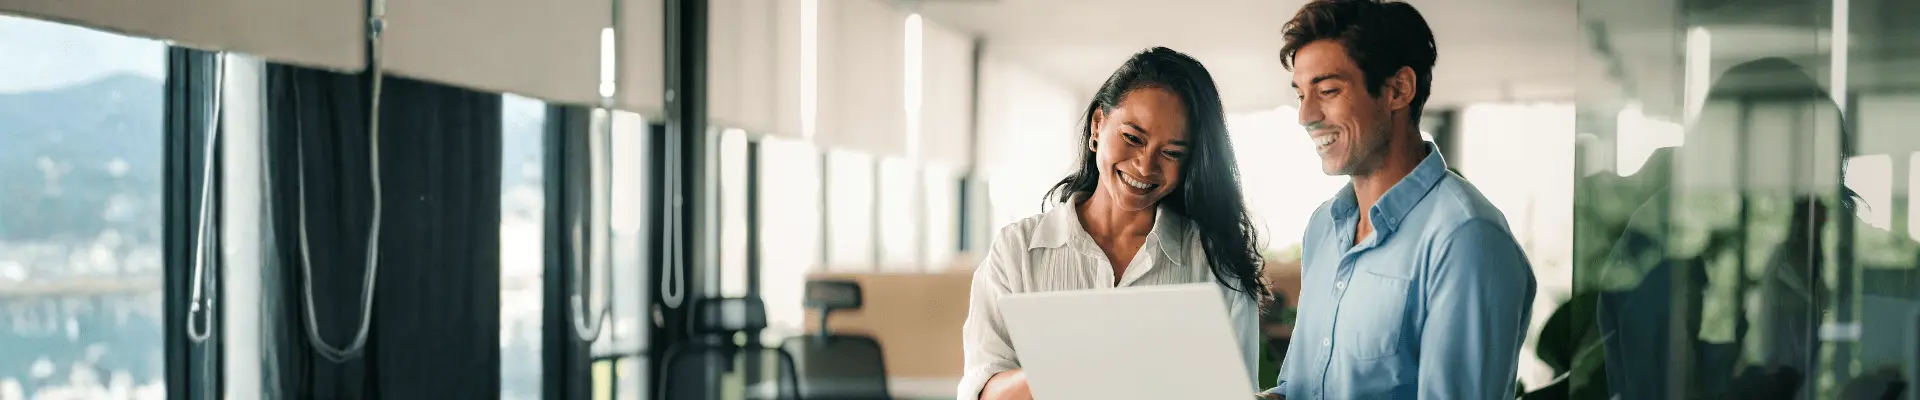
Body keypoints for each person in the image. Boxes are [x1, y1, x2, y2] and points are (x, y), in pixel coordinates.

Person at [957, 46, 1269, 400]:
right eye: (1133, 138)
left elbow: (1236, 394)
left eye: (1171, 153)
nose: (1145, 166)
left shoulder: (1214, 260)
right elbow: (983, 390)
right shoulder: (1018, 250)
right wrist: (1079, 367)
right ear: (1097, 125)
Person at [1262, 1, 1537, 398]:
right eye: (1301, 95)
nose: (1305, 115)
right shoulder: (1324, 227)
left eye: (1327, 90)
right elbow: (1302, 388)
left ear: (1398, 90)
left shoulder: (1465, 238)